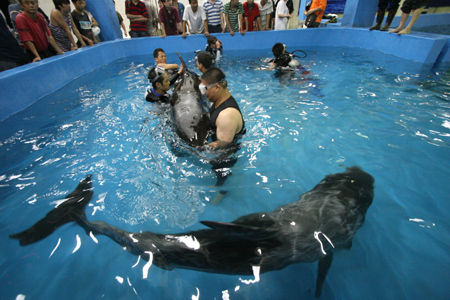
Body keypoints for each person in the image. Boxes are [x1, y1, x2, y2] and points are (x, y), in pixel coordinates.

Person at [200, 67, 245, 149]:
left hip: (223, 158)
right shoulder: (218, 101)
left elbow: (222, 145)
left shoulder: (227, 115)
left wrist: (196, 147)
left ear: (217, 87)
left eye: (205, 89)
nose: (204, 93)